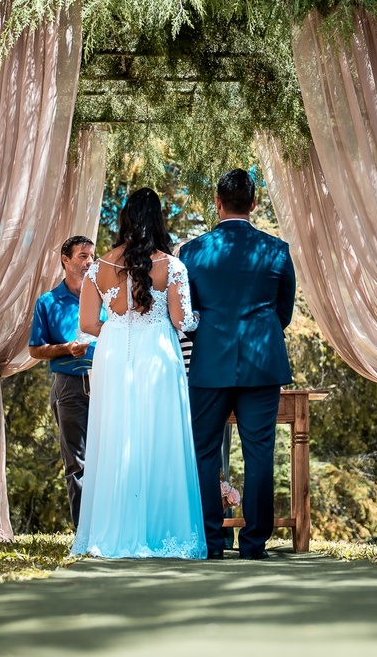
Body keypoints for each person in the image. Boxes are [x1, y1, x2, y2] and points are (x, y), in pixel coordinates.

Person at [72, 188, 204, 559]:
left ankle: (112, 529)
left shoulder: (97, 267)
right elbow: (183, 321)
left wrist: (117, 329)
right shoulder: (173, 267)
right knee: (159, 437)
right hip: (159, 357)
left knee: (115, 436)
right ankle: (162, 530)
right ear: (159, 220)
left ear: (125, 219)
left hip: (114, 357)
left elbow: (86, 323)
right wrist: (199, 318)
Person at [180, 169, 296, 560]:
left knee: (203, 451)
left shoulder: (192, 252)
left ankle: (210, 543)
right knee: (260, 452)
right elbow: (284, 312)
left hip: (209, 362)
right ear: (254, 204)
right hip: (262, 363)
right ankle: (254, 544)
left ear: (217, 202)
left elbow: (187, 314)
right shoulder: (277, 250)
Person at [29, 235, 98, 528]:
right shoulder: (47, 302)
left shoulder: (104, 295)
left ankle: (110, 528)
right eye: (83, 256)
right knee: (77, 461)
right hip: (69, 385)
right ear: (65, 260)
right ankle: (83, 532)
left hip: (105, 382)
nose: (89, 262)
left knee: (108, 454)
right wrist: (65, 348)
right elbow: (35, 349)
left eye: (92, 256)